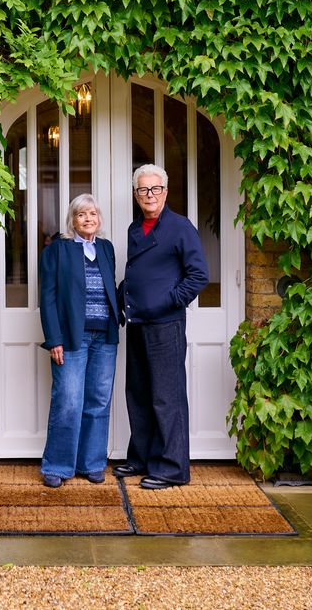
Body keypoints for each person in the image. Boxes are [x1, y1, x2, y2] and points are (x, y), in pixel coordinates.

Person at [114, 164, 208, 489]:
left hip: (166, 324)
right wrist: (123, 296)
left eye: (155, 189)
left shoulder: (181, 228)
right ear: (136, 195)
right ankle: (142, 458)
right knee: (138, 394)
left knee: (166, 397)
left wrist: (169, 300)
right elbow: (140, 272)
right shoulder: (134, 229)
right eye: (143, 190)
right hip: (137, 323)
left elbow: (198, 276)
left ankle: (171, 468)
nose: (149, 195)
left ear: (165, 192)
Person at [38, 193, 121, 488]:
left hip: (106, 336)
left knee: (98, 401)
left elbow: (111, 287)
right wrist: (54, 339)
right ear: (72, 220)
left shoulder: (106, 248)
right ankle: (58, 466)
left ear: (99, 220)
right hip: (72, 338)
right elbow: (47, 298)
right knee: (68, 401)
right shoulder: (58, 250)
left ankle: (93, 463)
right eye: (81, 214)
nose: (88, 219)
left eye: (93, 214)